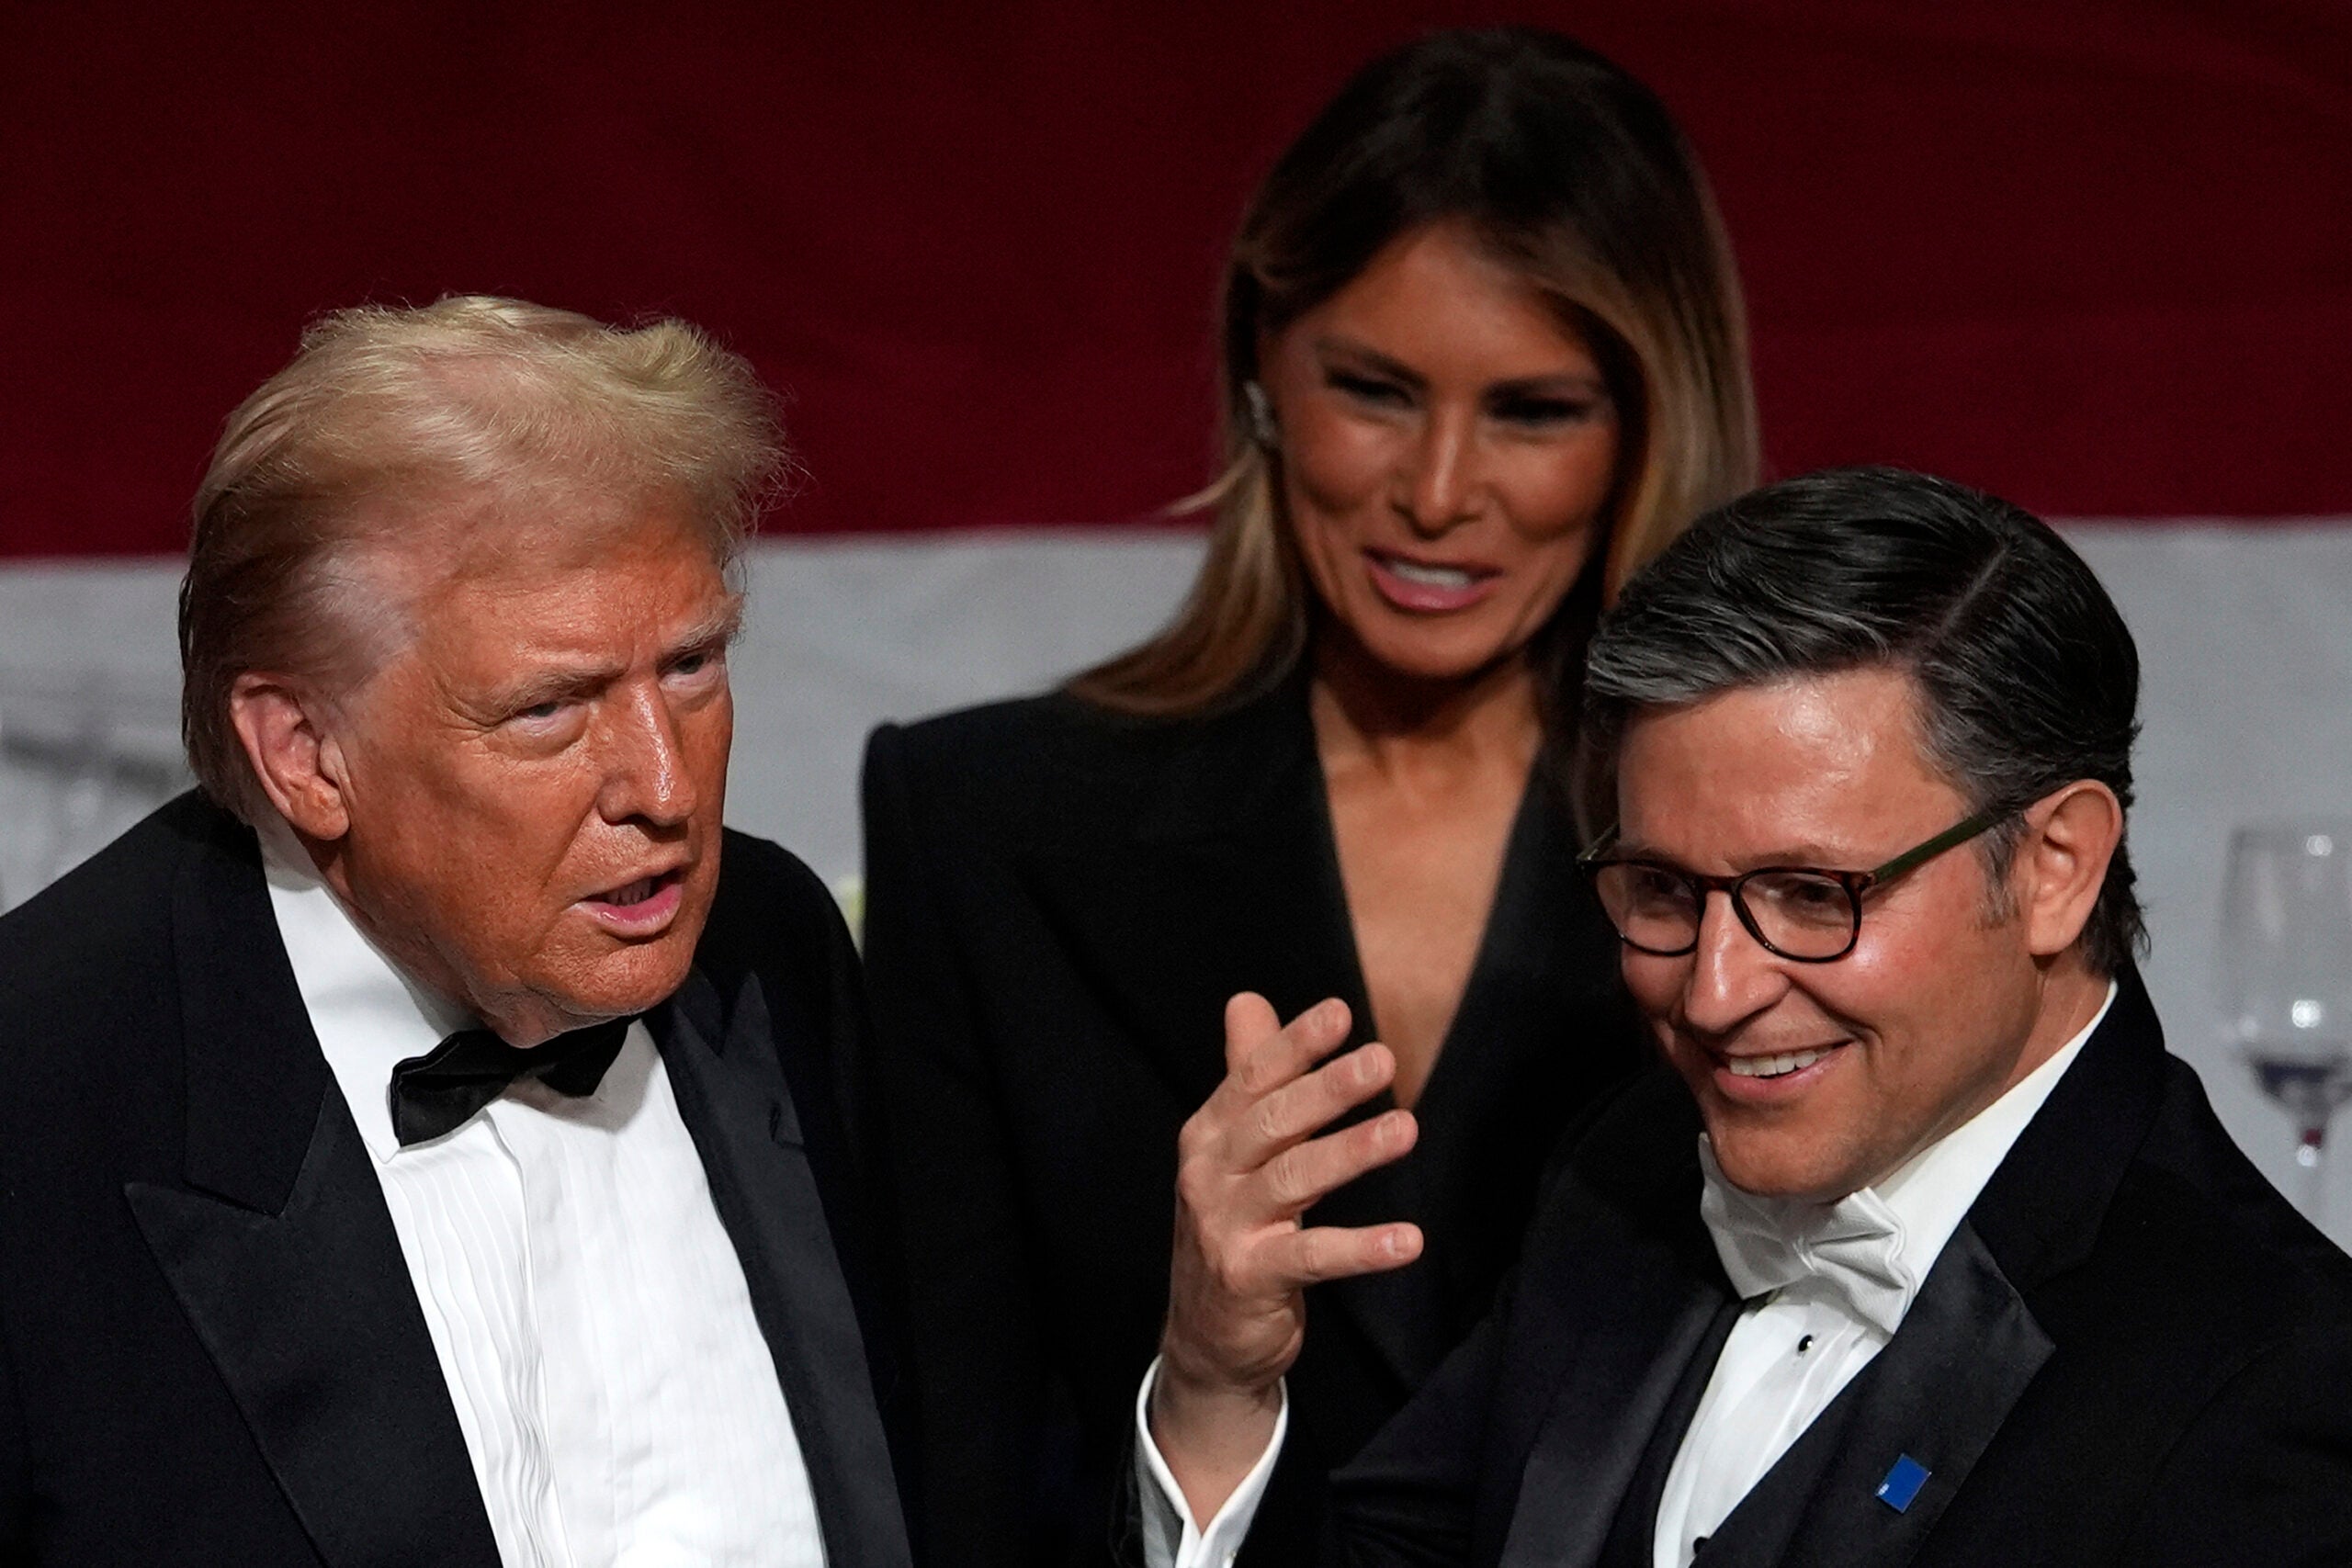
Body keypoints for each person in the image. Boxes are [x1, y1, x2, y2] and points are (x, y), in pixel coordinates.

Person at [856, 26, 1758, 1566]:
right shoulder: (986, 822)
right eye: (1376, 390)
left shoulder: (1778, 860)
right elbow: (953, 1475)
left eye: (1534, 412)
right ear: (1263, 372)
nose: (1436, 490)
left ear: (1641, 431)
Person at [1139, 465, 2352, 1566]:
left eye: (1811, 894)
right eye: (1664, 889)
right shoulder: (1622, 1174)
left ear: (2056, 868)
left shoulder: (2279, 1380)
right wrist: (1214, 1390)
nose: (1712, 995)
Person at [0, 297, 911, 1566]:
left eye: (693, 665)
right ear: (308, 753)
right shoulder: (42, 1102)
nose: (664, 785)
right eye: (551, 707)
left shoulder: (772, 945)